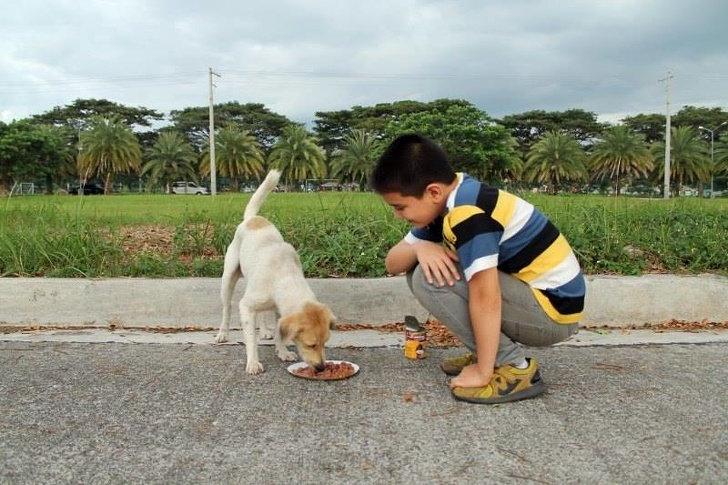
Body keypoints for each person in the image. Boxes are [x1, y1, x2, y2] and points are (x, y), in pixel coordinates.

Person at [371, 134, 585, 404]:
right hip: (536, 301)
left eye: (400, 207)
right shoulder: (452, 197)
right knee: (419, 269)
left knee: (429, 277)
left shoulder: (468, 212)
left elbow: (486, 296)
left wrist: (483, 372)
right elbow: (393, 263)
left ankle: (513, 367)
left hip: (551, 315)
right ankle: (491, 353)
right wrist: (419, 248)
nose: (397, 215)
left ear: (433, 191)